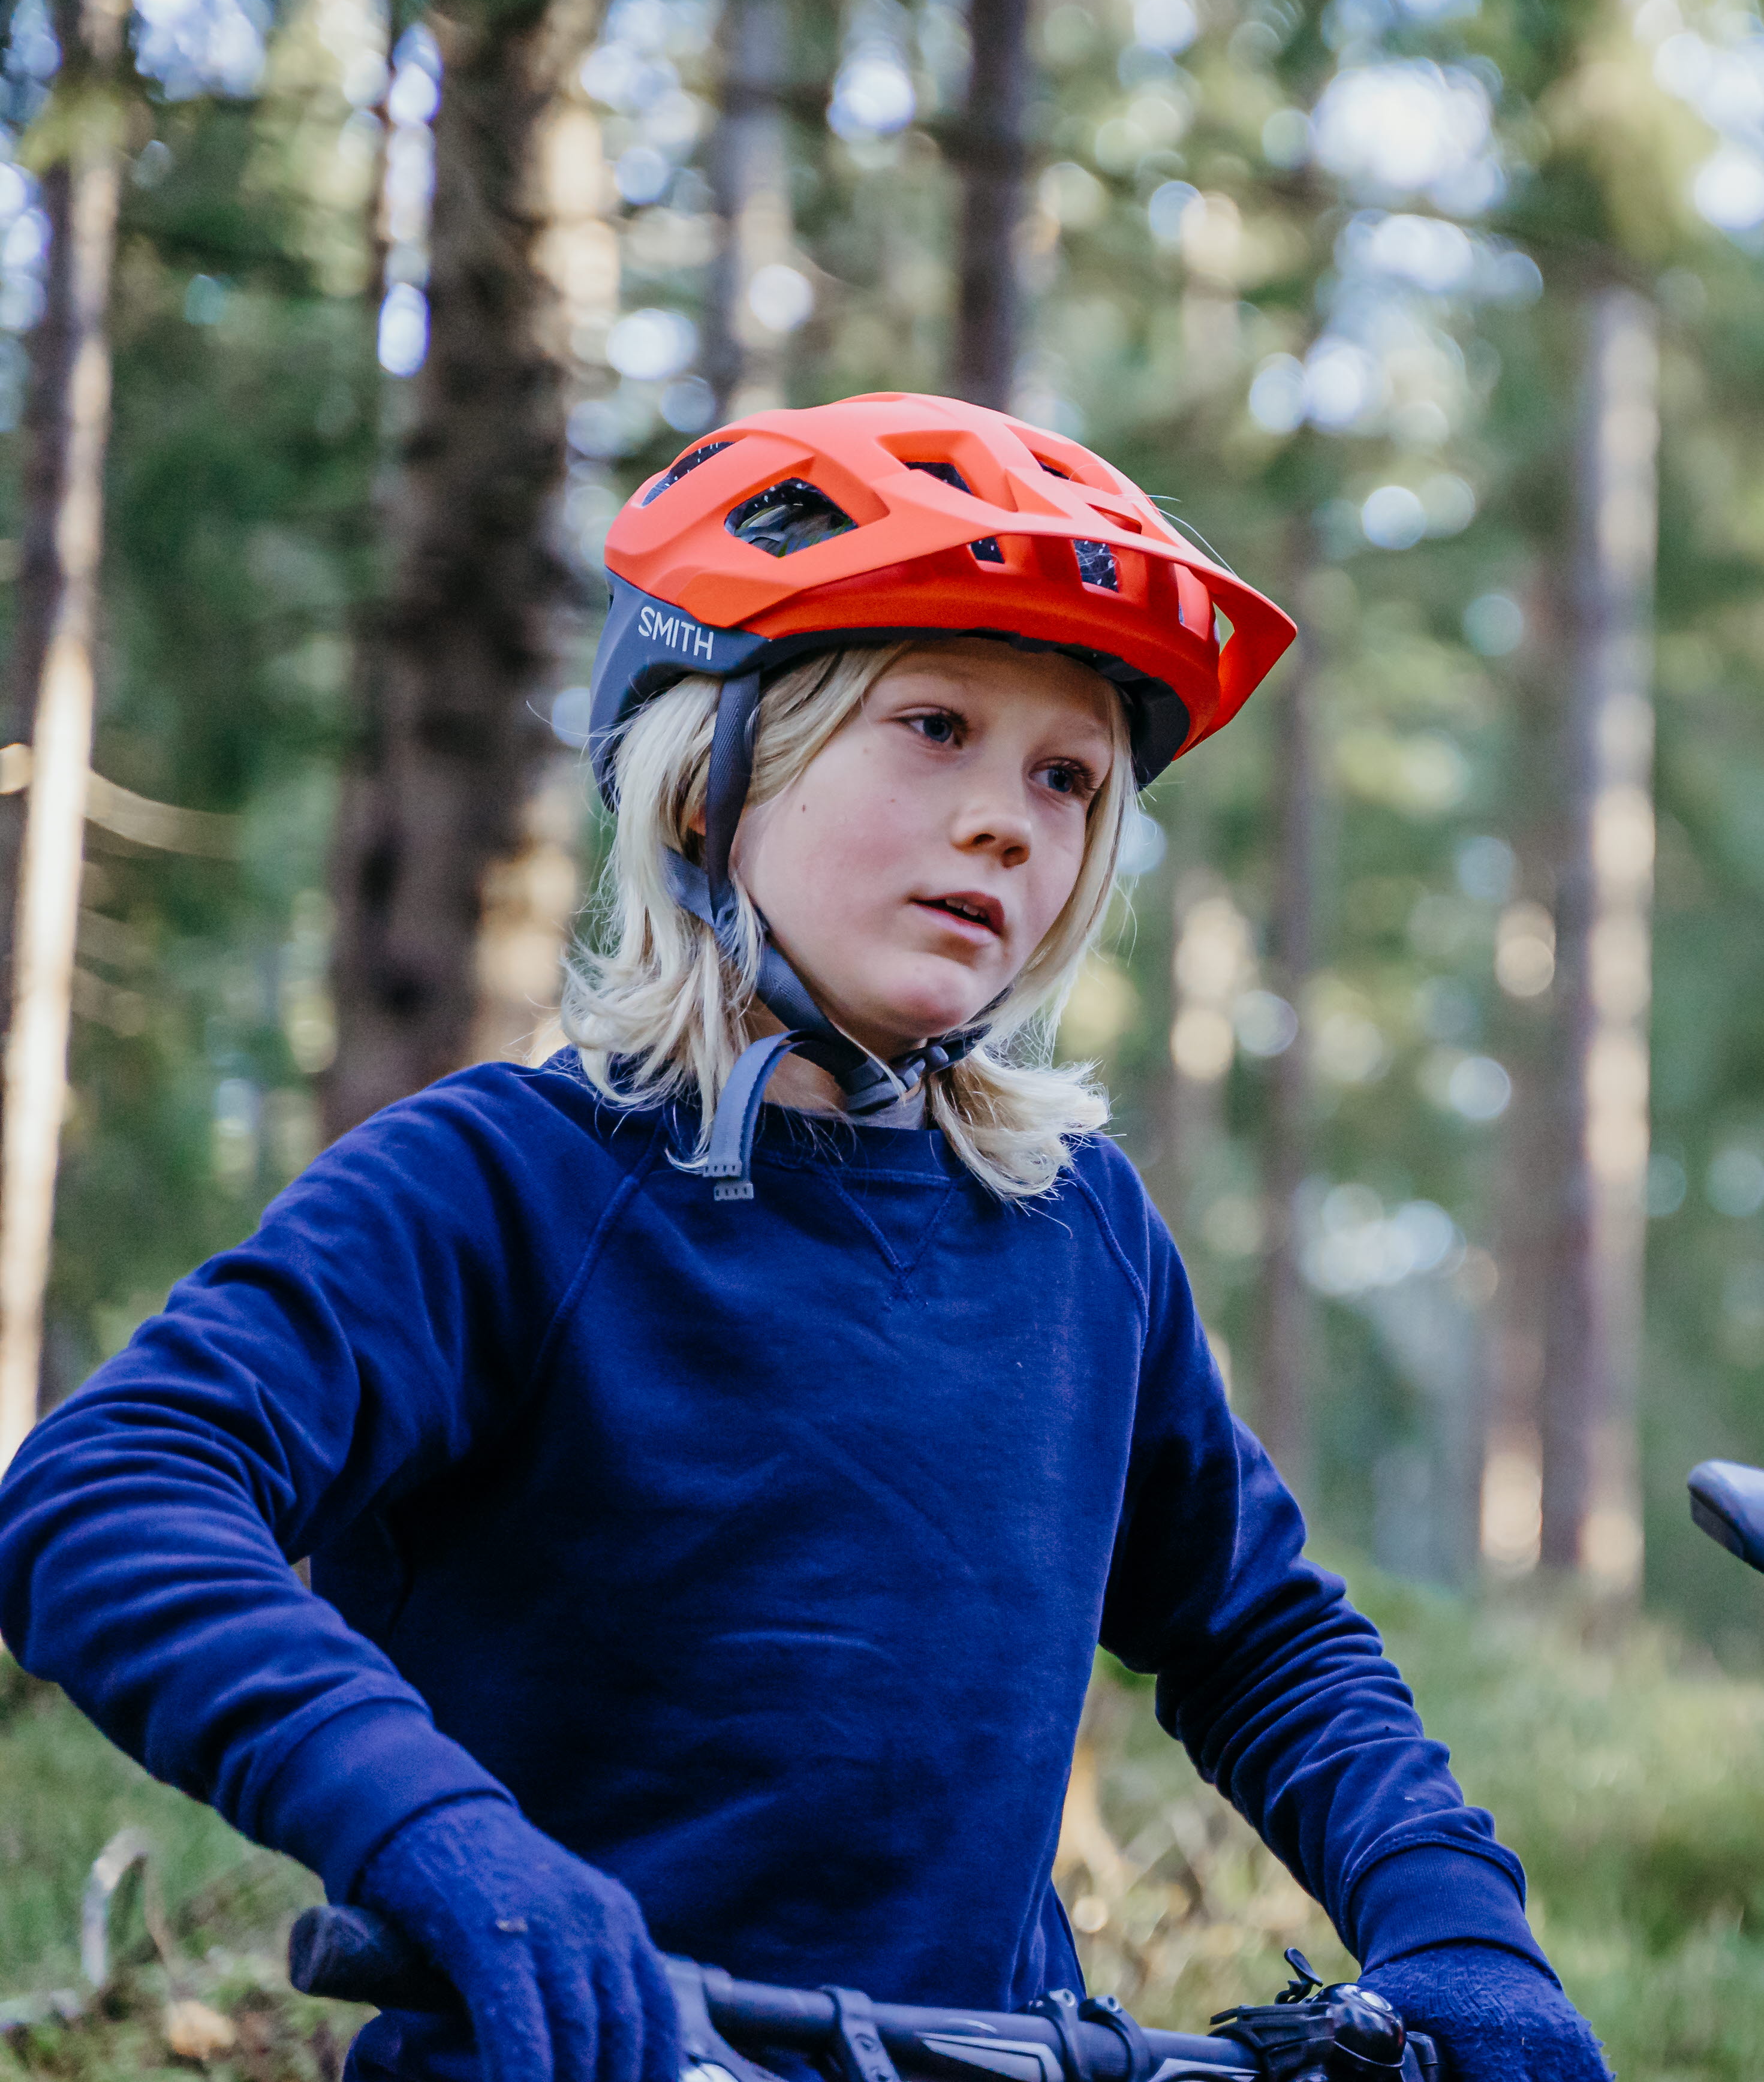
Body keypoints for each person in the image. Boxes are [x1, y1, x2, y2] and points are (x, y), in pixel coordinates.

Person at [0, 395, 1605, 2082]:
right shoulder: (505, 1188)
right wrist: (443, 1839)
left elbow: (1255, 1632)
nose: (1010, 821)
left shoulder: (1077, 1239)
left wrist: (1457, 1933)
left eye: (1068, 777)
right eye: (931, 727)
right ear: (709, 786)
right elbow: (107, 1496)